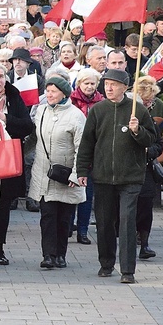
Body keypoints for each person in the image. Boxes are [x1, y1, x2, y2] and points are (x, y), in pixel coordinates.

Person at [76, 69, 156, 284]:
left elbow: (151, 141)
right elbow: (87, 143)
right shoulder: (98, 110)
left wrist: (138, 130)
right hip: (102, 176)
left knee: (127, 222)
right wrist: (82, 170)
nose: (109, 88)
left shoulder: (137, 110)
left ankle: (128, 270)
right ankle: (106, 262)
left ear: (124, 87)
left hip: (130, 176)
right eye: (106, 84)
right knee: (104, 222)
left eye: (114, 84)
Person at [29, 77, 86, 269]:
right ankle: (48, 255)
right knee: (47, 216)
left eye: (53, 91)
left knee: (64, 218)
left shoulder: (76, 116)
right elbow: (33, 138)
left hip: (66, 175)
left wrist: (76, 174)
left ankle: (61, 254)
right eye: (47, 90)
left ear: (64, 93)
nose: (49, 94)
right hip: (45, 173)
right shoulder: (41, 111)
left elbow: (82, 148)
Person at [0, 62, 34, 265]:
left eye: (1, 76)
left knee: (2, 205)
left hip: (6, 158)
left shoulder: (13, 97)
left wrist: (4, 117)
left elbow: (27, 126)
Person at [135, 76, 163, 259]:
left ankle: (144, 242)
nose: (147, 102)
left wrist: (149, 151)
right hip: (127, 166)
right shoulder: (129, 109)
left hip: (147, 166)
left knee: (145, 205)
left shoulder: (157, 108)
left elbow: (159, 143)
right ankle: (127, 239)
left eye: (149, 98)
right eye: (143, 99)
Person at [69, 68, 103, 244]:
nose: (89, 86)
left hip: (93, 154)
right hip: (72, 152)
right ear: (79, 84)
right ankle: (68, 227)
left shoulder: (102, 102)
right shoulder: (70, 101)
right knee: (69, 192)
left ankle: (82, 230)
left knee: (86, 195)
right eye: (86, 83)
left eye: (92, 83)